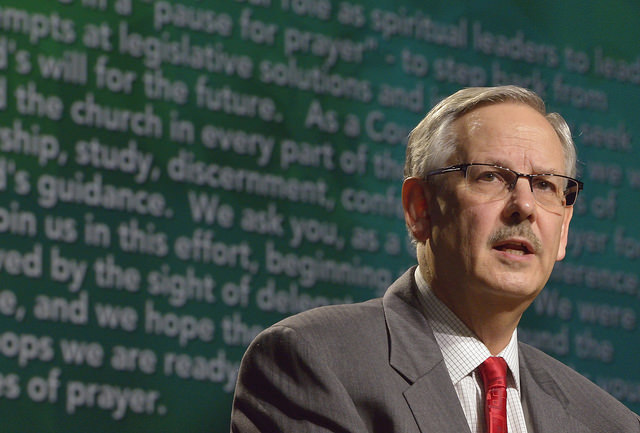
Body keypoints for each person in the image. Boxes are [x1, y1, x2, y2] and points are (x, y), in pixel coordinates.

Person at [230, 86, 640, 432]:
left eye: (545, 185)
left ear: (564, 228)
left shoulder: (611, 424)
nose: (525, 206)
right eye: (490, 176)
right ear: (419, 208)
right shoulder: (313, 361)